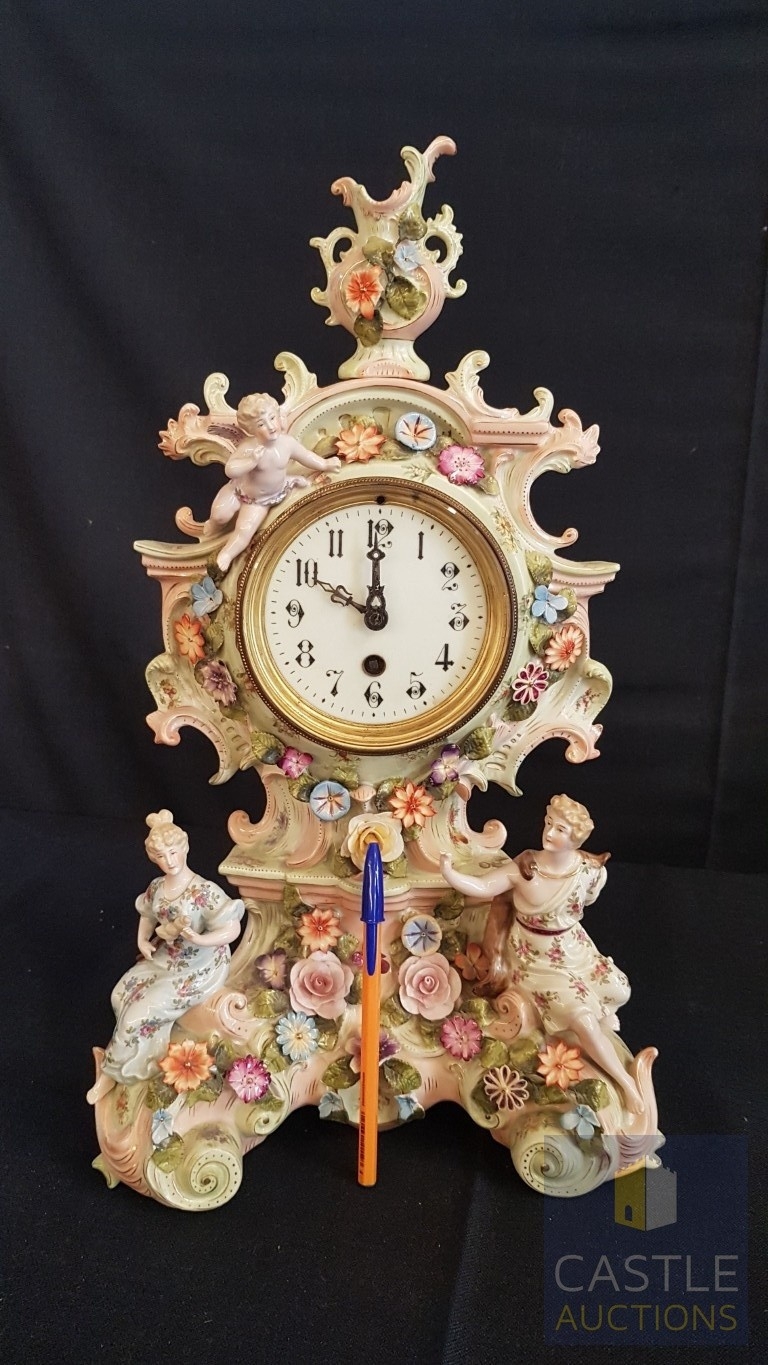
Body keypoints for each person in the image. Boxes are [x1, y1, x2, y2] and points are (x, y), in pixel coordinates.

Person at [440, 794, 643, 1112]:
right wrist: (450, 872)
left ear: (576, 838)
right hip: (535, 959)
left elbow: (587, 899)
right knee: (583, 1020)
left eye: (560, 829)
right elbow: (485, 886)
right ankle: (625, 1083)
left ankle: (599, 1017)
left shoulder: (589, 871)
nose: (549, 833)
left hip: (574, 947)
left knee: (620, 989)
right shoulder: (526, 868)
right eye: (548, 824)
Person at [86, 811, 244, 1104]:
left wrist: (200, 939)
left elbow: (231, 928)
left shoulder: (204, 891)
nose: (169, 861)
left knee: (137, 1015)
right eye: (161, 856)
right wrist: (142, 940)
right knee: (121, 994)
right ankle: (144, 1052)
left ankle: (115, 1072)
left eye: (173, 852)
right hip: (167, 956)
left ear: (185, 847)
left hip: (199, 965)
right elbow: (147, 913)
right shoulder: (158, 887)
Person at [204, 392, 342, 571]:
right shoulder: (250, 448)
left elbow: (306, 456)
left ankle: (226, 554)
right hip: (239, 491)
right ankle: (212, 525)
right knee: (220, 515)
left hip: (262, 501)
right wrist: (251, 461)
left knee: (245, 531)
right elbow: (231, 470)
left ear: (278, 416)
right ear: (251, 430)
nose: (270, 427)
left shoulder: (287, 444)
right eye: (261, 424)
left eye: (272, 418)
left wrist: (324, 464)